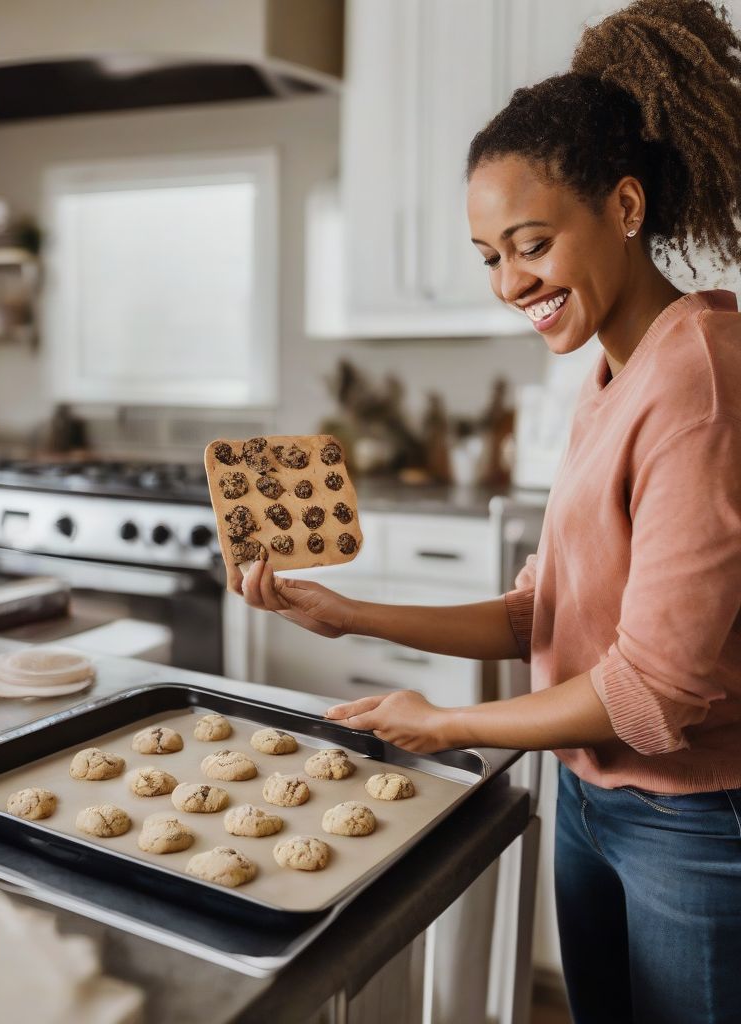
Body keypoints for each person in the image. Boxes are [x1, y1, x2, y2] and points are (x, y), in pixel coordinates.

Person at [234, 2, 741, 1021]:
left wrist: (449, 721)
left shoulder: (700, 377)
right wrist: (351, 613)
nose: (511, 282)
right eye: (488, 256)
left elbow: (652, 694)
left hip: (692, 818)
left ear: (626, 207)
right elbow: (539, 613)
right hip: (593, 799)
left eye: (531, 243)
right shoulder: (608, 371)